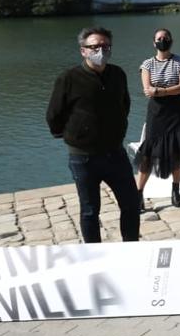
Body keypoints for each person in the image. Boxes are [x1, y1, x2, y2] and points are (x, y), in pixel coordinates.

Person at [46, 26, 141, 243]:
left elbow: (124, 104)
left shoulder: (117, 74)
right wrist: (74, 135)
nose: (101, 50)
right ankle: (94, 252)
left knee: (131, 204)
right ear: (83, 50)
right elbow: (54, 114)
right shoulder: (68, 78)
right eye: (95, 46)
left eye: (105, 46)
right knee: (90, 210)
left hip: (115, 153)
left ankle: (132, 246)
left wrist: (118, 127)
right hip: (83, 157)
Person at [135, 28, 180, 208]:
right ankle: (139, 193)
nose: (163, 40)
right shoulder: (147, 64)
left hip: (177, 111)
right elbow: (147, 90)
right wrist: (166, 90)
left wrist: (160, 90)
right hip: (156, 112)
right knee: (148, 153)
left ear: (171, 40)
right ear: (154, 42)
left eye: (166, 38)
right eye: (159, 38)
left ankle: (176, 191)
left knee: (178, 150)